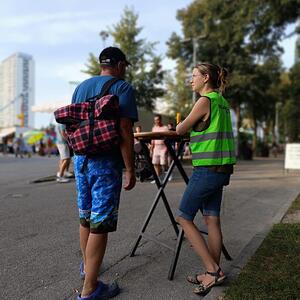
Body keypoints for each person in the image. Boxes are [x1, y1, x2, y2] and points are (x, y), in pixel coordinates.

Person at [72, 46, 138, 300]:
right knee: (100, 222)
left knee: (86, 217)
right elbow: (124, 130)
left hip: (81, 160)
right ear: (120, 65)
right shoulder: (122, 88)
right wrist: (130, 168)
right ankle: (90, 289)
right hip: (105, 162)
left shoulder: (81, 87)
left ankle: (87, 268)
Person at [176, 63, 236, 296]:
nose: (191, 81)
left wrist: (181, 125)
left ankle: (213, 271)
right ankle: (213, 271)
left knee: (183, 217)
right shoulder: (223, 102)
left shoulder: (204, 101)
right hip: (222, 168)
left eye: (193, 76)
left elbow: (181, 129)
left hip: (207, 169)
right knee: (212, 220)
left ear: (206, 77)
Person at [150, 115, 169, 182]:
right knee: (155, 163)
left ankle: (168, 173)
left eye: (157, 120)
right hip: (156, 147)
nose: (156, 121)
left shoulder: (165, 128)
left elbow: (168, 138)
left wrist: (167, 148)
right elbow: (152, 140)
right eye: (155, 120)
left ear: (160, 120)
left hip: (163, 147)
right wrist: (151, 150)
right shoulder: (154, 128)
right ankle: (158, 178)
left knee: (163, 163)